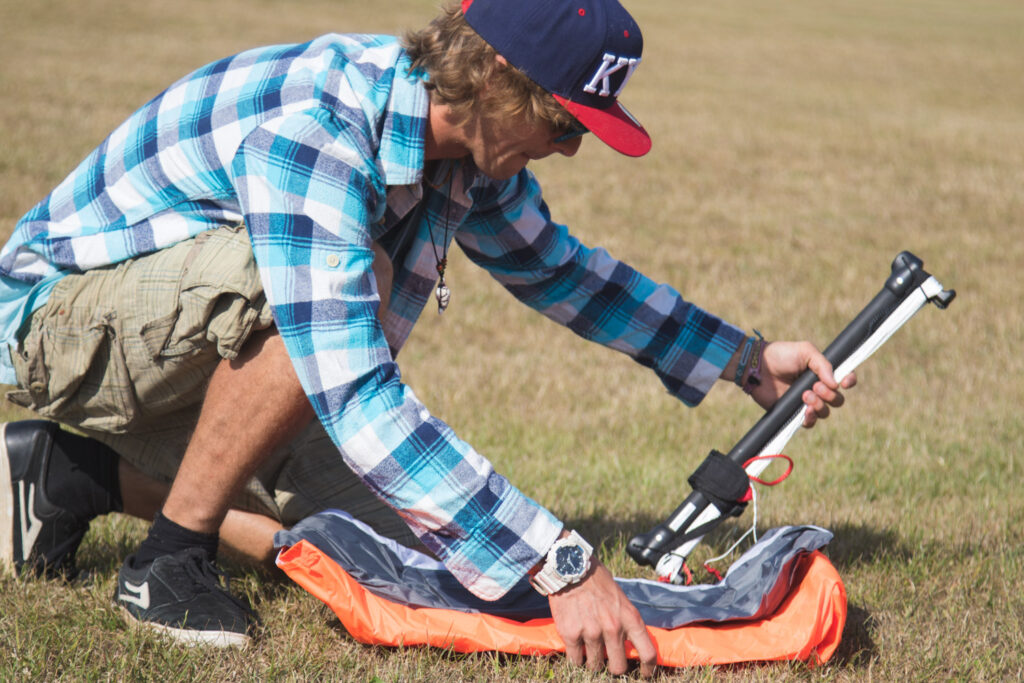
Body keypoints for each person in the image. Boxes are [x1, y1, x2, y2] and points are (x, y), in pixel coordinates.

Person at [0, 0, 855, 675]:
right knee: (332, 287)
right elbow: (354, 389)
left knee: (399, 556)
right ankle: (167, 563)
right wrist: (561, 560)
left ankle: (72, 477)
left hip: (185, 344)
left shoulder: (462, 151)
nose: (571, 151)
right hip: (57, 328)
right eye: (566, 124)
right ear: (494, 78)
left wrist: (745, 359)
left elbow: (560, 272)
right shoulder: (322, 126)